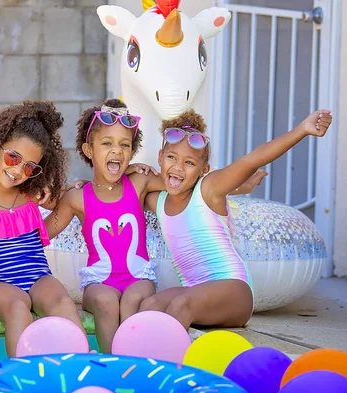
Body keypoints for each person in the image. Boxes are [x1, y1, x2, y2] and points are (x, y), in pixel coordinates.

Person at [140, 108, 332, 329]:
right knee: (149, 305)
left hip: (234, 291)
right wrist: (134, 167)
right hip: (194, 290)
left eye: (189, 163)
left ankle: (175, 363)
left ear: (204, 170)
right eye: (171, 157)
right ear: (160, 158)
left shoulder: (209, 189)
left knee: (181, 305)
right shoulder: (158, 202)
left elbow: (253, 160)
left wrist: (302, 130)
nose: (177, 167)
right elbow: (123, 188)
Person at [0, 100, 86, 357]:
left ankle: (81, 363)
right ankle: (21, 376)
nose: (17, 170)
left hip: (37, 276)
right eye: (13, 157)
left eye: (29, 167)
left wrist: (79, 183)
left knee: (60, 299)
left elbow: (73, 197)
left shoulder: (33, 195)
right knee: (16, 305)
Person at [44, 99, 162, 353]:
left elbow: (180, 185)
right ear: (89, 150)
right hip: (99, 282)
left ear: (131, 152)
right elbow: (41, 233)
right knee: (106, 300)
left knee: (132, 299)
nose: (117, 151)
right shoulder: (77, 197)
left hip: (139, 277)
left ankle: (134, 364)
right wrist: (45, 197)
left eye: (125, 145)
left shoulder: (139, 182)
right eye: (107, 143)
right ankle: (111, 364)